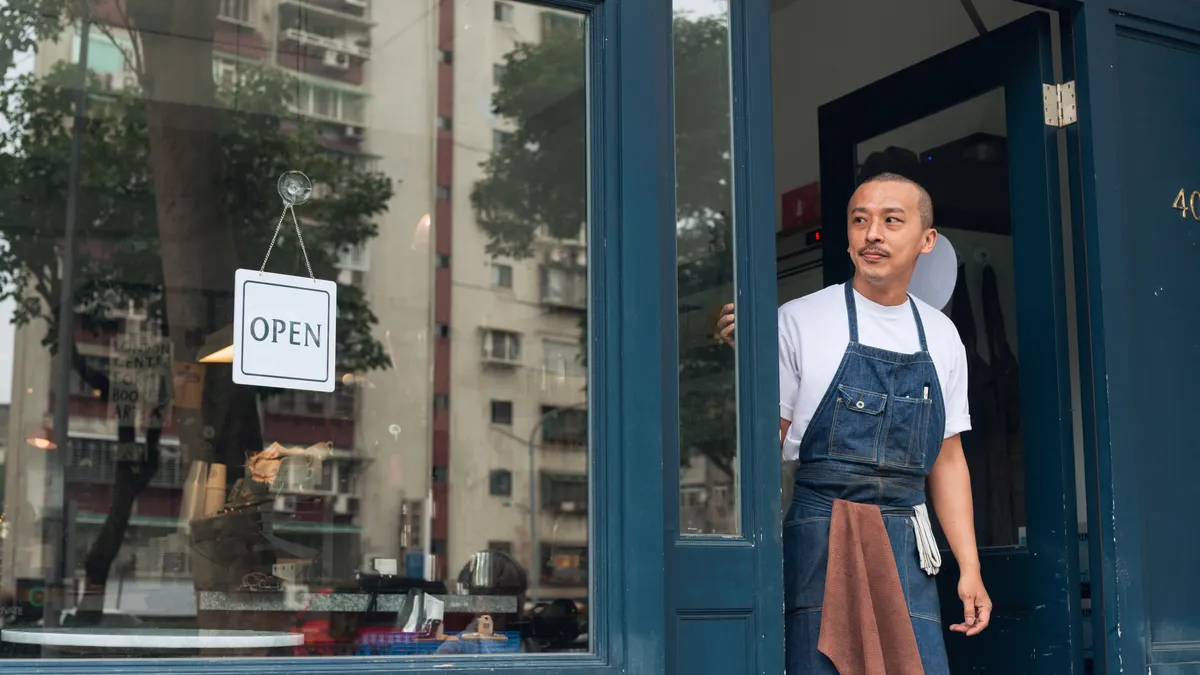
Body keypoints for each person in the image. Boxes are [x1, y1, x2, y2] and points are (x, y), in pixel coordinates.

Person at [717, 173, 990, 674]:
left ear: (926, 239)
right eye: (860, 220)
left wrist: (969, 567)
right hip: (820, 532)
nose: (873, 234)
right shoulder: (796, 320)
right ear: (847, 236)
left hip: (907, 538)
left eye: (891, 220)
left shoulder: (943, 336)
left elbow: (948, 460)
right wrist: (748, 373)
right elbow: (763, 449)